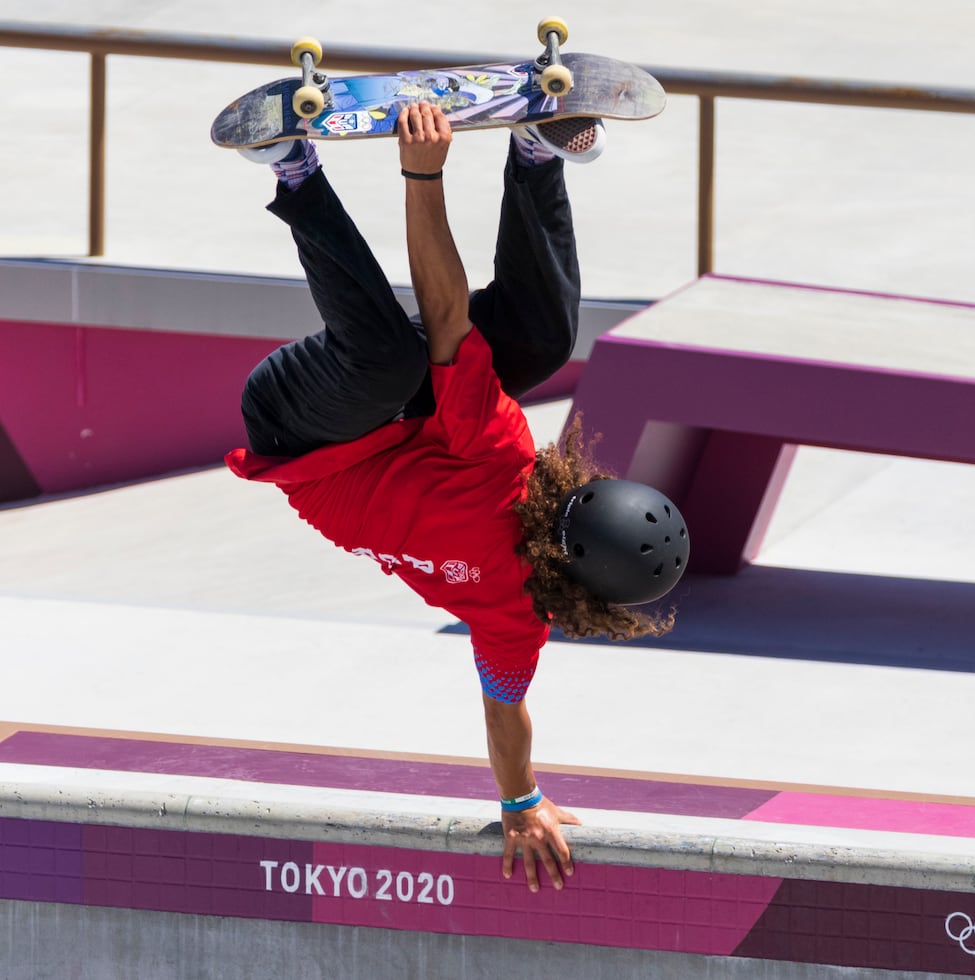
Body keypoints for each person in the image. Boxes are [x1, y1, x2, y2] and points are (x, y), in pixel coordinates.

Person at [225, 102, 689, 893]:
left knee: (390, 360)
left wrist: (423, 174)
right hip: (402, 432)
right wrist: (521, 799)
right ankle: (537, 158)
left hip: (300, 433)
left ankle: (293, 170)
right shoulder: (517, 620)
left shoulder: (503, 463)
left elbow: (444, 311)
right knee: (537, 343)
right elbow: (505, 711)